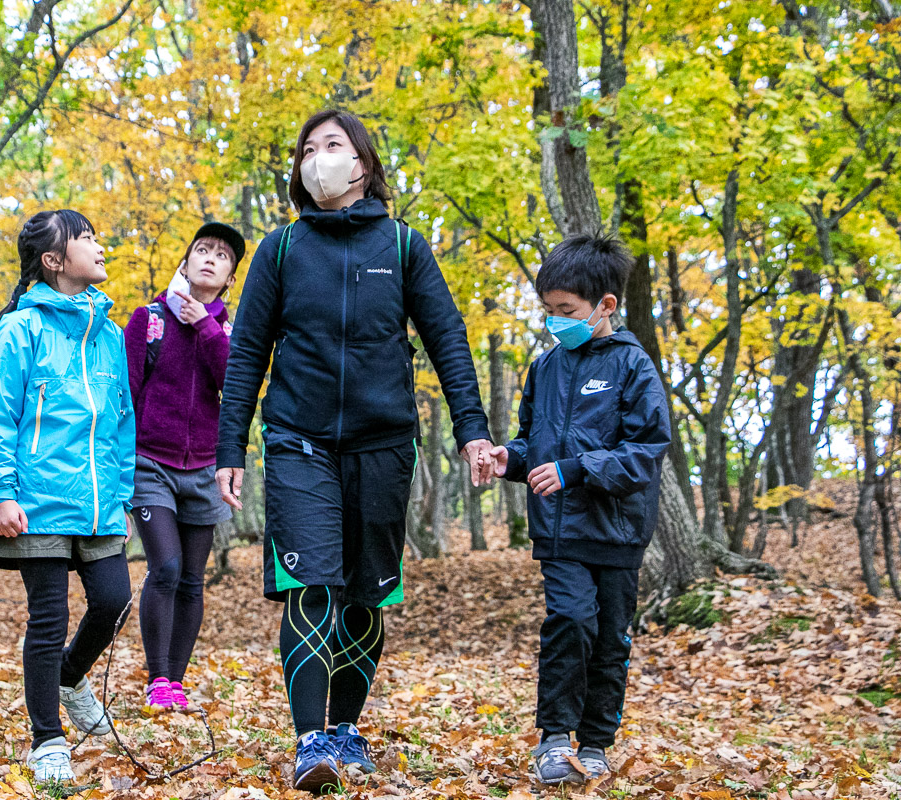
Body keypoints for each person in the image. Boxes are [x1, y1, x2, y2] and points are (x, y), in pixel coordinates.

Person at [216, 109, 494, 793]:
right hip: (297, 441)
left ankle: (345, 728)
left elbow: (448, 338)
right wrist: (231, 448)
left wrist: (473, 429)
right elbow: (249, 349)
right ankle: (310, 743)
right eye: (307, 148)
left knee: (366, 595)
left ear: (363, 163)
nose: (318, 159)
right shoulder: (281, 250)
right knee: (312, 585)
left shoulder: (403, 246)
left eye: (332, 146)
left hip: (383, 445)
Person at [488, 234, 671, 785]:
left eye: (566, 312)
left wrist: (578, 469)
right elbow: (531, 443)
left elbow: (646, 449)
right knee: (569, 620)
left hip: (616, 531)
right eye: (549, 312)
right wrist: (508, 458)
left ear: (605, 305)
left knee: (610, 636)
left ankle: (594, 744)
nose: (556, 323)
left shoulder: (633, 366)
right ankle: (553, 740)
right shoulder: (544, 369)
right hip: (559, 531)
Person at [0, 209, 136, 783]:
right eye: (86, 237)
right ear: (54, 260)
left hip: (96, 503)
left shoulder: (110, 335)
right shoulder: (20, 329)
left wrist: (122, 496)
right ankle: (47, 741)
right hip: (34, 501)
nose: (99, 244)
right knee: (48, 616)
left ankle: (68, 677)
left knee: (114, 601)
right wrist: (0, 492)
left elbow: (121, 423)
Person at [123, 222, 245, 712]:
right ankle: (157, 680)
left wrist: (205, 326)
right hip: (150, 463)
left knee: (193, 580)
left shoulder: (231, 331)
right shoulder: (148, 319)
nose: (210, 259)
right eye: (202, 250)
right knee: (166, 568)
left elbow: (235, 386)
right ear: (186, 262)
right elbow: (127, 395)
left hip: (206, 469)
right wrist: (118, 467)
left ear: (231, 279)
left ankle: (176, 681)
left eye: (222, 256)